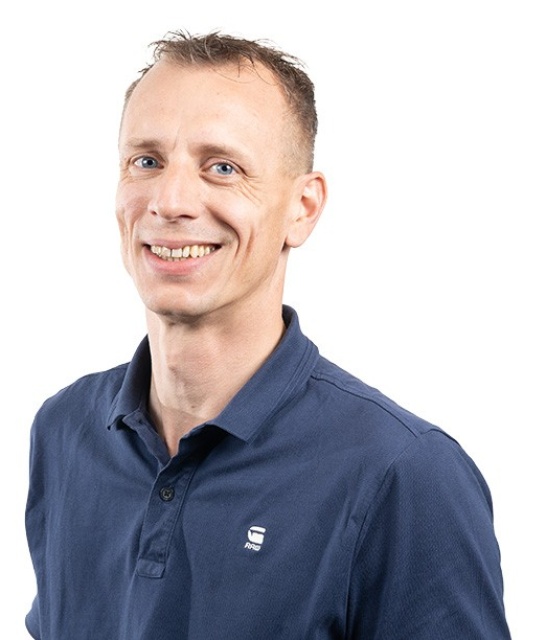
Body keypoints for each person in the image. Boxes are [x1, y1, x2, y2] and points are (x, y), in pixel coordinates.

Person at [25, 30, 511, 639]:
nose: (170, 201)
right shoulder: (65, 430)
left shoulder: (405, 474)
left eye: (222, 168)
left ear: (302, 208)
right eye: (146, 161)